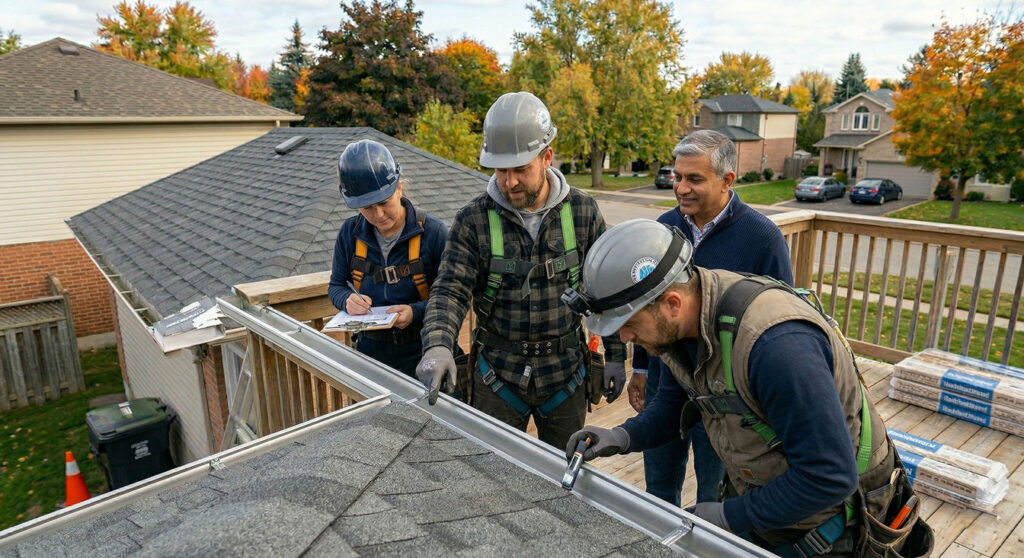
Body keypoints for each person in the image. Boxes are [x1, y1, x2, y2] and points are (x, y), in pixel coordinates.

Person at [563, 219, 923, 557]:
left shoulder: (776, 347)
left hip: (834, 528)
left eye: (628, 324)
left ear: (672, 302)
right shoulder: (680, 326)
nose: (626, 338)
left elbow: (830, 476)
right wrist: (621, 437)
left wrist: (729, 517)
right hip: (768, 503)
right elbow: (673, 406)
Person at [415, 91, 627, 450]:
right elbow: (450, 290)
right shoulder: (474, 220)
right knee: (492, 470)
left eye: (520, 169)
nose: (509, 182)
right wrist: (437, 344)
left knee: (565, 471)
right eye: (501, 170)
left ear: (547, 157)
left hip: (565, 375)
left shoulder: (582, 213)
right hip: (497, 377)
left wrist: (617, 354)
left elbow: (606, 290)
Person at [628, 129, 793, 507]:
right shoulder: (663, 229)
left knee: (714, 496)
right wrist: (640, 367)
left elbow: (780, 320)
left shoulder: (762, 238)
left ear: (727, 180)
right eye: (677, 177)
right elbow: (645, 303)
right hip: (666, 380)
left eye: (694, 179)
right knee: (658, 487)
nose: (681, 188)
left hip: (726, 395)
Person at [328, 139, 448, 377]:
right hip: (371, 354)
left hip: (423, 349)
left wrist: (415, 312)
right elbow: (336, 286)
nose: (378, 214)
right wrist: (347, 300)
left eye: (384, 203)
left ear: (399, 188)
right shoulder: (349, 234)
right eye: (367, 207)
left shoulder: (433, 233)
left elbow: (449, 297)